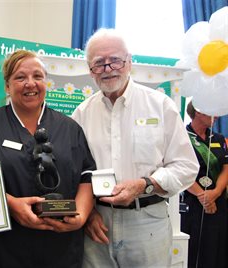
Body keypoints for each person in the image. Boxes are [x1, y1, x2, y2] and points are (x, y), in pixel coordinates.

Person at [71, 28, 199, 267]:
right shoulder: (81, 114)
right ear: (90, 71)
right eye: (99, 63)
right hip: (97, 223)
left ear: (129, 62)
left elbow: (186, 167)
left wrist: (144, 184)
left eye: (115, 60)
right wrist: (87, 214)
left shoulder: (161, 106)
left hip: (147, 221)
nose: (108, 69)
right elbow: (74, 173)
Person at [0, 49, 96, 268]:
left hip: (60, 249)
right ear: (7, 85)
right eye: (20, 77)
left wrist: (80, 218)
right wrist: (10, 204)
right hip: (2, 249)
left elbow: (86, 176)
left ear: (46, 82)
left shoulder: (70, 128)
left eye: (37, 76)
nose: (30, 83)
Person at [180, 101, 228, 268]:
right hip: (193, 203)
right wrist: (203, 197)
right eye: (211, 112)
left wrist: (215, 193)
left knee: (219, 249)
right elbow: (179, 171)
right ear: (199, 112)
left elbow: (225, 169)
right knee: (196, 250)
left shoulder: (218, 138)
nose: (216, 116)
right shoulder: (182, 137)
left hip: (219, 202)